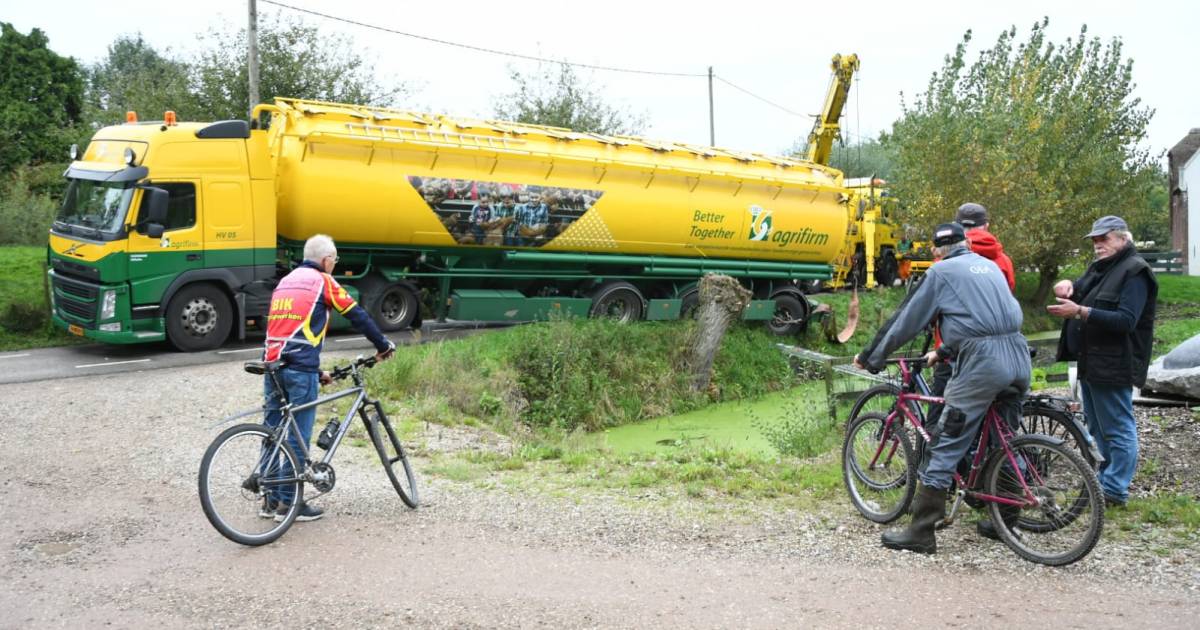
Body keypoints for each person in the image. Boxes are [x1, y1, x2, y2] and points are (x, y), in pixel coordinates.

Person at [854, 222, 1030, 554]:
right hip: (1019, 356)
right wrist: (946, 351)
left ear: (936, 251)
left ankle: (921, 531)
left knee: (946, 441)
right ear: (966, 243)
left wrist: (871, 356)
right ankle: (1005, 518)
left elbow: (907, 320)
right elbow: (989, 320)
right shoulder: (990, 266)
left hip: (983, 365)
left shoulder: (941, 273)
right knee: (1003, 437)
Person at [261, 234, 396, 522]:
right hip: (298, 368)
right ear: (326, 260)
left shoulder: (285, 282)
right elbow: (356, 314)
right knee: (299, 434)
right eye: (334, 260)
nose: (334, 264)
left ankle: (269, 498)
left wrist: (316, 370)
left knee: (272, 431)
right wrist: (383, 345)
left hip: (272, 364)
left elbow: (289, 329)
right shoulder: (323, 281)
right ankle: (289, 503)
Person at [1048, 215, 1158, 508]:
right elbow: (1079, 289)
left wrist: (1081, 312)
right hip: (1092, 360)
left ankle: (1115, 489)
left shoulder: (1135, 272)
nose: (1097, 245)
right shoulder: (1102, 267)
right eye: (1095, 240)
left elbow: (1127, 320)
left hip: (1115, 363)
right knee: (1097, 426)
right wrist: (1066, 285)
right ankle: (1106, 482)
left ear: (1123, 238)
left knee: (1118, 428)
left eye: (1104, 239)